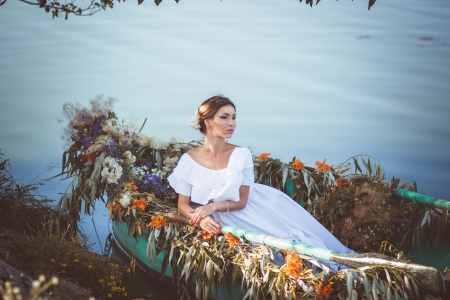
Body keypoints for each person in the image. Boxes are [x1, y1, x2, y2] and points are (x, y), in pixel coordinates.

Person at [167, 95, 353, 253]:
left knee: (295, 245)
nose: (231, 123)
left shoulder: (241, 155)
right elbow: (182, 204)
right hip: (217, 217)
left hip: (249, 210)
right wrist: (200, 220)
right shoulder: (189, 160)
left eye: (234, 117)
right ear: (208, 121)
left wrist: (212, 207)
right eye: (224, 117)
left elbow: (241, 201)